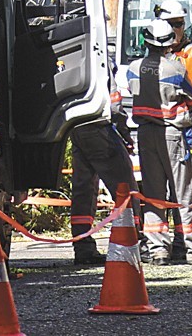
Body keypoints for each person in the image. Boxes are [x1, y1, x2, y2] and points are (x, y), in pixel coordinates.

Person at [120, 19, 192, 265]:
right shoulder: (176, 69)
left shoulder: (133, 68)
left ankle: (158, 249)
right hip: (172, 135)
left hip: (146, 135)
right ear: (170, 43)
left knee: (154, 194)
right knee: (184, 193)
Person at [68, 107, 137, 267]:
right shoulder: (103, 80)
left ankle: (83, 248)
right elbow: (115, 105)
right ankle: (133, 243)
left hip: (76, 126)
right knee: (124, 186)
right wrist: (124, 132)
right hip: (99, 126)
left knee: (83, 189)